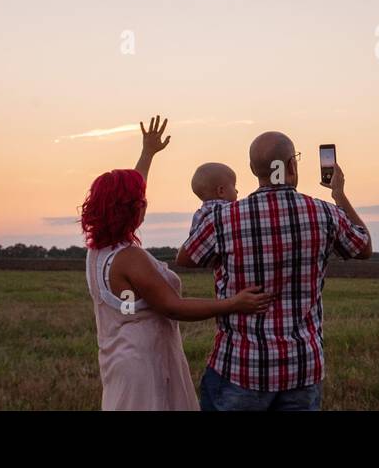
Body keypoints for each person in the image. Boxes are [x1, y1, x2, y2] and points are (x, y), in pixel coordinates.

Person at [82, 116, 273, 410]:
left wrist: (147, 154)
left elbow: (130, 192)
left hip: (121, 358)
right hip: (144, 364)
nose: (144, 202)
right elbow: (173, 306)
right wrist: (234, 303)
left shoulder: (99, 251)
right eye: (139, 202)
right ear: (129, 210)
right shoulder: (129, 258)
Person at [176, 131, 372, 410]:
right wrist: (339, 194)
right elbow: (363, 247)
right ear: (291, 166)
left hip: (239, 367)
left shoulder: (223, 219)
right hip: (301, 369)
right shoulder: (325, 213)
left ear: (254, 171)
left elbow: (186, 258)